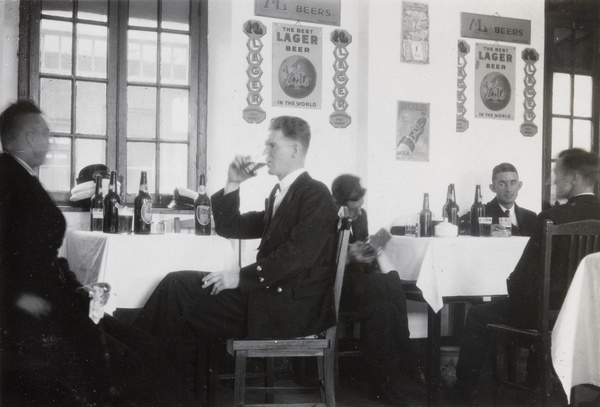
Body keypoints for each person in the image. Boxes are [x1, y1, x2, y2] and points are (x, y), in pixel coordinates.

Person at [0, 100, 192, 406]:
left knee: (142, 342)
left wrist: (79, 288)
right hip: (34, 316)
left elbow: (41, 255)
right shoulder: (7, 179)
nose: (51, 140)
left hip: (58, 301)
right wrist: (16, 296)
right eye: (45, 134)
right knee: (128, 360)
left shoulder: (22, 177)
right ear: (27, 138)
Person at [133, 116, 339, 392]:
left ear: (295, 150)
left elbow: (296, 257)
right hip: (269, 298)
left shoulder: (315, 194)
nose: (265, 154)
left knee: (177, 290)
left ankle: (134, 374)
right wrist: (233, 182)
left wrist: (239, 278)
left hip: (288, 309)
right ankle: (163, 388)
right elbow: (233, 226)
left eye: (272, 147)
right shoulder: (282, 194)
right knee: (178, 294)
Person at [452, 149, 600, 405]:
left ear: (574, 178)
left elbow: (520, 282)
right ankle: (535, 380)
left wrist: (512, 286)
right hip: (592, 312)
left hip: (547, 312)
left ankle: (462, 396)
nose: (550, 181)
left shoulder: (550, 218)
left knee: (477, 314)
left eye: (556, 174)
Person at [331, 174, 425, 406]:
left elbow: (363, 256)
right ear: (336, 201)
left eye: (360, 207)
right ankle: (408, 358)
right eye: (352, 209)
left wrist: (368, 250)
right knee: (390, 282)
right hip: (332, 287)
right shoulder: (323, 217)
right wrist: (348, 255)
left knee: (383, 303)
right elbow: (318, 261)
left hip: (357, 285)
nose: (356, 214)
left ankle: (385, 382)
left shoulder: (361, 216)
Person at [460, 163, 537, 236]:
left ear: (519, 185)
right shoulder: (482, 211)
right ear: (493, 188)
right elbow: (459, 226)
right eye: (502, 184)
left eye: (512, 183)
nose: (508, 189)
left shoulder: (530, 217)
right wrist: (485, 230)